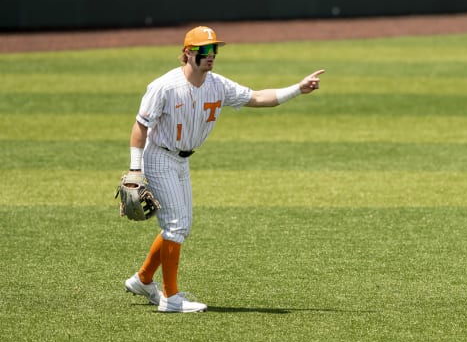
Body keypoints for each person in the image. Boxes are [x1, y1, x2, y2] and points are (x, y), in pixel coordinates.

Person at [123, 26, 324, 313]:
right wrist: (134, 170)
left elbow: (256, 97)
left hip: (182, 160)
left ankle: (143, 279)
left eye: (214, 50)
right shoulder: (164, 86)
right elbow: (140, 126)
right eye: (205, 50)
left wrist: (298, 89)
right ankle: (170, 297)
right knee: (176, 225)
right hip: (159, 157)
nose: (211, 56)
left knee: (181, 225)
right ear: (188, 53)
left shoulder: (217, 85)